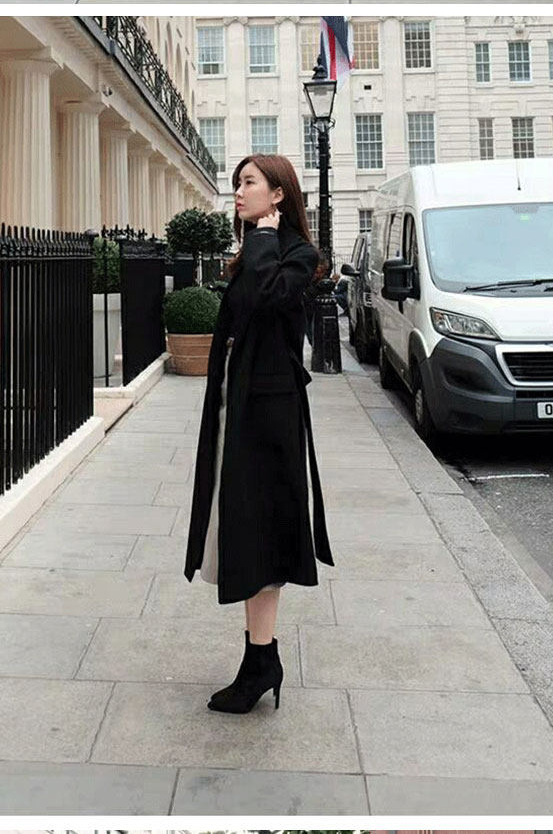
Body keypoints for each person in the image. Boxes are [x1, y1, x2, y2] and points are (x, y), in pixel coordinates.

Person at [184, 153, 334, 714]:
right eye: (237, 183)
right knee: (245, 532)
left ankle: (261, 662)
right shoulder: (254, 250)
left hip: (270, 415)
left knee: (263, 534)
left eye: (249, 182)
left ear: (278, 194)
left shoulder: (298, 254)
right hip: (239, 404)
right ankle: (260, 658)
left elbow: (272, 299)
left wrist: (265, 239)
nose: (238, 192)